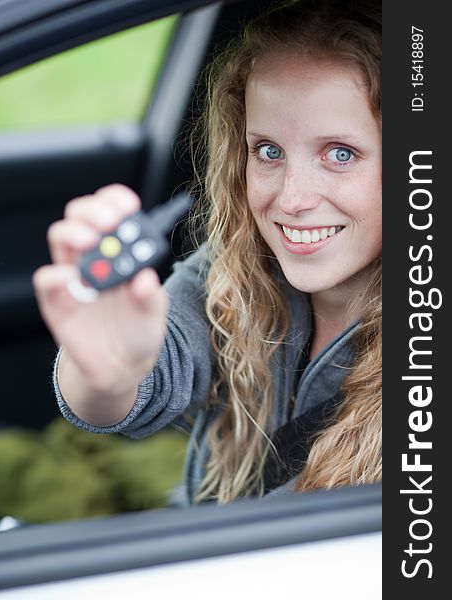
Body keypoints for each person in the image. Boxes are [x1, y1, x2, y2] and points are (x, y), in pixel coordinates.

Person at [33, 0, 382, 505]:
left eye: (340, 154)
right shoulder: (238, 268)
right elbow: (138, 380)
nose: (290, 198)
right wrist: (103, 375)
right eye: (268, 151)